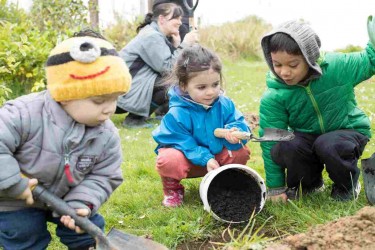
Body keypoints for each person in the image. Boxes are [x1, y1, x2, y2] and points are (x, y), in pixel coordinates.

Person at [0, 29, 132, 250]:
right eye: (99, 100)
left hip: (66, 197)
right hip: (15, 199)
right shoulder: (23, 114)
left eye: (115, 99)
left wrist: (81, 202)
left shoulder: (106, 135)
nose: (110, 109)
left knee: (85, 227)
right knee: (23, 233)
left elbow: (104, 175)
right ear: (65, 96)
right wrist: (12, 181)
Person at [259, 19, 375, 203]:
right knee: (287, 144)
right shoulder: (274, 95)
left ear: (309, 57)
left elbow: (370, 60)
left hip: (347, 131)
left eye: (293, 64)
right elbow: (272, 139)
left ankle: (346, 186)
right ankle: (310, 185)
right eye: (277, 64)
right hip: (308, 138)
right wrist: (275, 187)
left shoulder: (337, 67)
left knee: (328, 143)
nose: (284, 72)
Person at [152, 44, 251, 207]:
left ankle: (225, 181)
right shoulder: (177, 113)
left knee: (240, 151)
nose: (211, 92)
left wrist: (236, 132)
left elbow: (238, 122)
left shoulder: (224, 104)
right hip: (190, 162)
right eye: (202, 87)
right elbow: (184, 143)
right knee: (167, 159)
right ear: (184, 85)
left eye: (215, 84)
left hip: (217, 160)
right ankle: (173, 190)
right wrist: (206, 158)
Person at [116, 1, 199, 129]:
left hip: (130, 87)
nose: (180, 22)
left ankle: (160, 112)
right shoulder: (151, 36)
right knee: (170, 81)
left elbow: (167, 61)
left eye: (180, 18)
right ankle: (134, 118)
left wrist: (177, 45)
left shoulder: (155, 34)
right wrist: (185, 44)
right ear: (162, 19)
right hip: (123, 93)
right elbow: (168, 69)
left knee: (174, 79)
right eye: (176, 18)